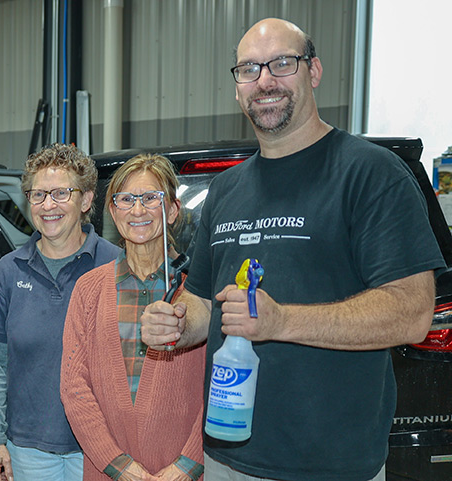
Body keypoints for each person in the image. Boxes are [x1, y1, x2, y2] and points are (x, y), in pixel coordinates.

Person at [140, 18, 444, 481]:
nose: (264, 80)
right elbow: (203, 300)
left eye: (282, 63)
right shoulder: (226, 190)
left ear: (314, 71)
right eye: (249, 69)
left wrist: (282, 321)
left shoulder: (371, 174)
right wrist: (176, 322)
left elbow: (412, 312)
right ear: (238, 88)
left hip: (332, 464)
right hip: (228, 457)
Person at [0, 143, 119, 481]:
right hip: (28, 451)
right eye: (38, 195)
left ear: (86, 200)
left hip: (104, 447)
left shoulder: (116, 266)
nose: (48, 205)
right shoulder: (8, 272)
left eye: (60, 193)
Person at [61, 154, 204, 481]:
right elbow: (74, 388)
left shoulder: (199, 292)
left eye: (151, 199)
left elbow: (218, 385)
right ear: (113, 211)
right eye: (125, 199)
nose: (137, 211)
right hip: (107, 472)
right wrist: (117, 465)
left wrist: (188, 465)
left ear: (172, 210)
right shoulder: (88, 290)